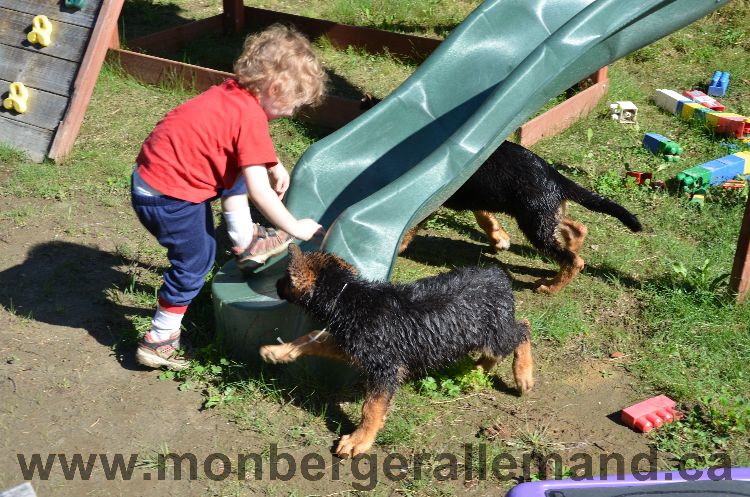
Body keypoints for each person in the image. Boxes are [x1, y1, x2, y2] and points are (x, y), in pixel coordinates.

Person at [130, 24, 326, 371]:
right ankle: (159, 340)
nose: (293, 114)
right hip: (169, 197)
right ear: (276, 88)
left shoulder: (233, 94)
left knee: (232, 170)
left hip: (153, 179)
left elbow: (237, 143)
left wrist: (273, 163)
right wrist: (296, 227)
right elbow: (259, 192)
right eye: (294, 105)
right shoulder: (250, 118)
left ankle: (246, 241)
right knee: (195, 263)